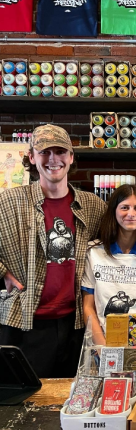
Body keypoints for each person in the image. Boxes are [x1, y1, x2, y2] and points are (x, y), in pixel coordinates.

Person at [0, 124, 106, 378]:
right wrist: (3, 271)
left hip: (77, 325)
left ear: (71, 157)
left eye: (60, 151)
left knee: (74, 396)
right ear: (31, 157)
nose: (53, 159)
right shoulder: (9, 201)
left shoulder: (92, 206)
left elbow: (123, 237)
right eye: (44, 152)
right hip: (24, 323)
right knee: (25, 399)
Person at [82, 185, 136, 345]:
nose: (131, 214)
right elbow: (88, 307)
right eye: (124, 207)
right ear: (113, 211)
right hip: (103, 343)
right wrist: (103, 347)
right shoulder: (94, 252)